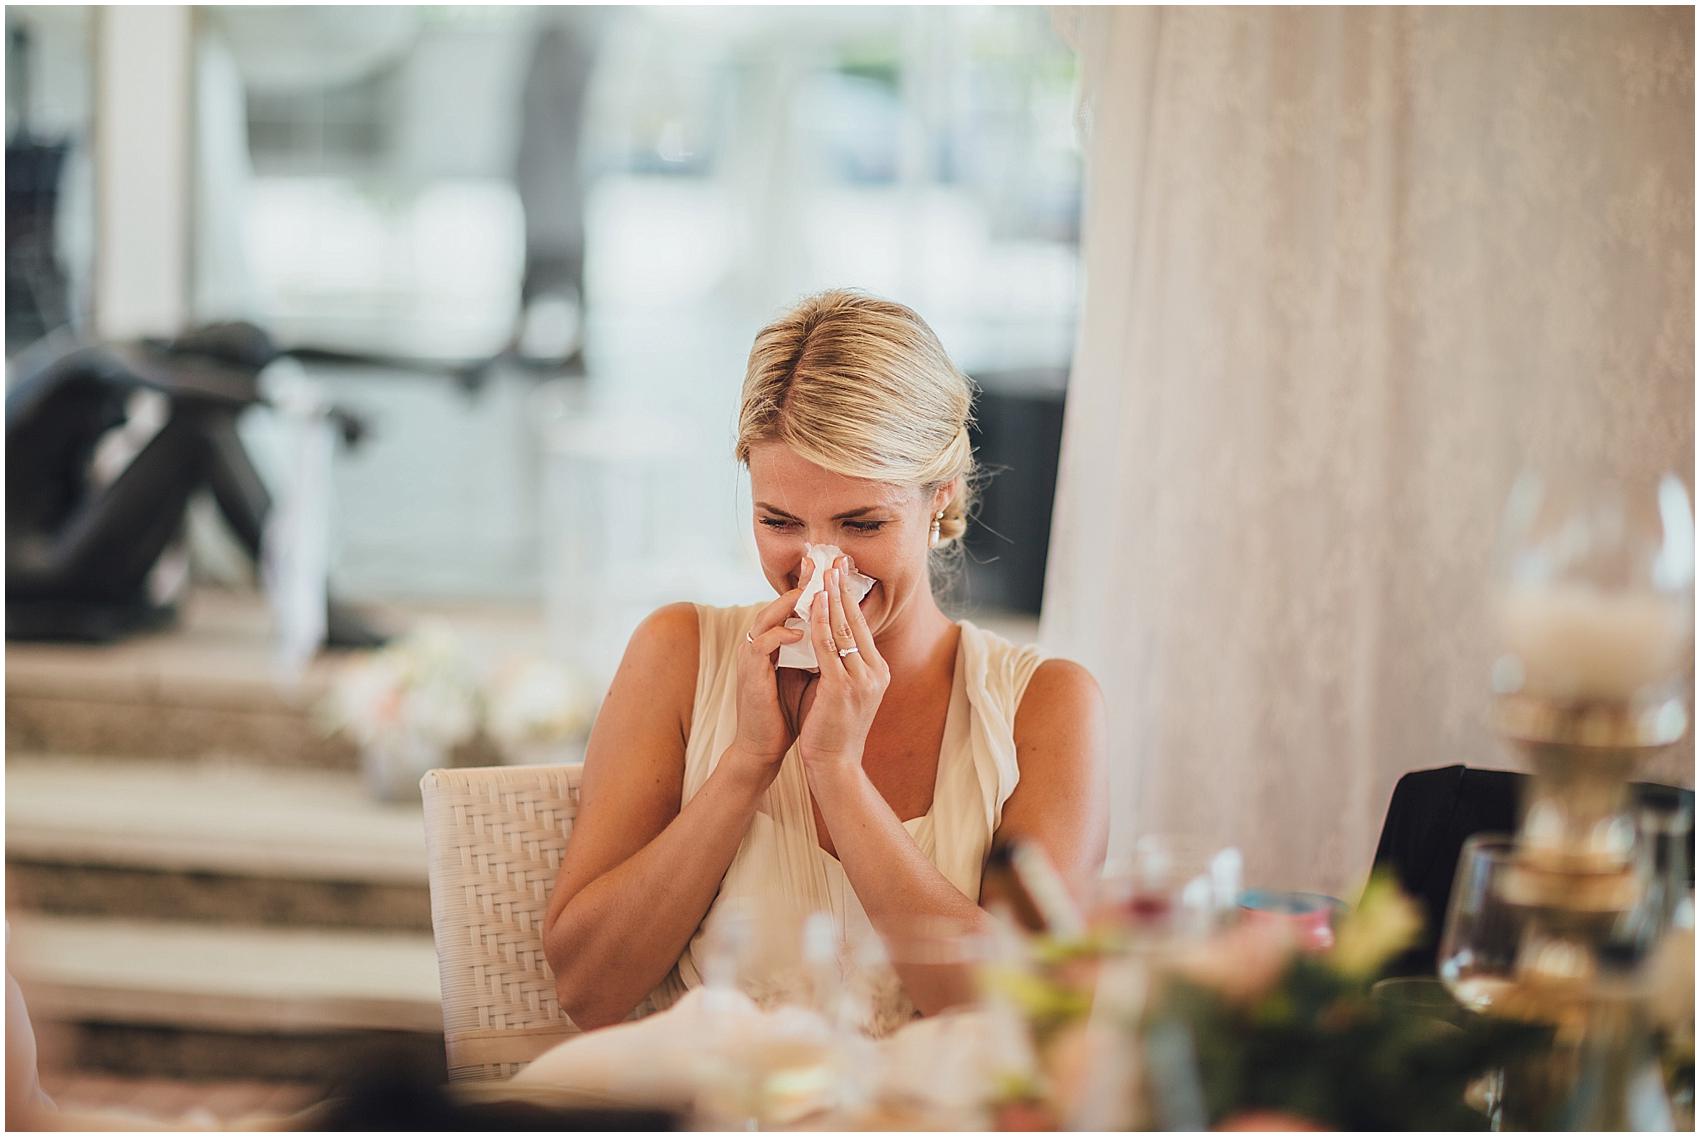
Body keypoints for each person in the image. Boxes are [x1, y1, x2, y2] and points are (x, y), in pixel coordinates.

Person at [543, 289, 1108, 1037]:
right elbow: (586, 987)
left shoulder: (1048, 706)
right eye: (779, 521)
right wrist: (746, 762)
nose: (819, 566)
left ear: (939, 502)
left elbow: (1026, 1017)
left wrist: (836, 774)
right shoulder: (676, 654)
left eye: (861, 522)